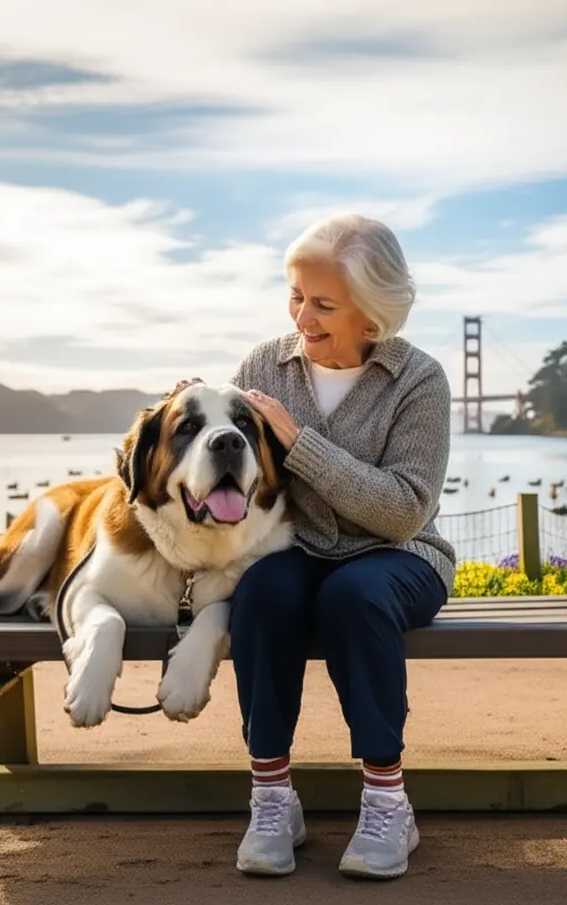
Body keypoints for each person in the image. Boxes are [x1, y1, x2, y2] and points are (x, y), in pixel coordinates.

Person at [187, 213, 455, 880]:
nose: (301, 316)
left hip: (402, 557)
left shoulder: (419, 381)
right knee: (263, 593)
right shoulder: (260, 365)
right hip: (294, 550)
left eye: (323, 304)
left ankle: (388, 804)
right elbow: (236, 484)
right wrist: (194, 430)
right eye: (296, 295)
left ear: (372, 313)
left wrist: (298, 443)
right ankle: (272, 798)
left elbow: (400, 513)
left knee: (353, 595)